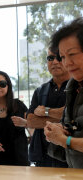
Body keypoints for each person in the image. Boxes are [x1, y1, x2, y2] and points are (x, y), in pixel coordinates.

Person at [12, 47, 70, 167]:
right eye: (50, 58)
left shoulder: (78, 87)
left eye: (59, 57)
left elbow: (73, 116)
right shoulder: (40, 90)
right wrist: (61, 116)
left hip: (70, 157)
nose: (54, 62)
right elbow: (31, 121)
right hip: (43, 157)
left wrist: (46, 111)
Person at [44, 17, 83, 168]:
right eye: (63, 57)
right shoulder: (73, 88)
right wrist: (61, 131)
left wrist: (65, 141)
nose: (66, 63)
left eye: (72, 54)